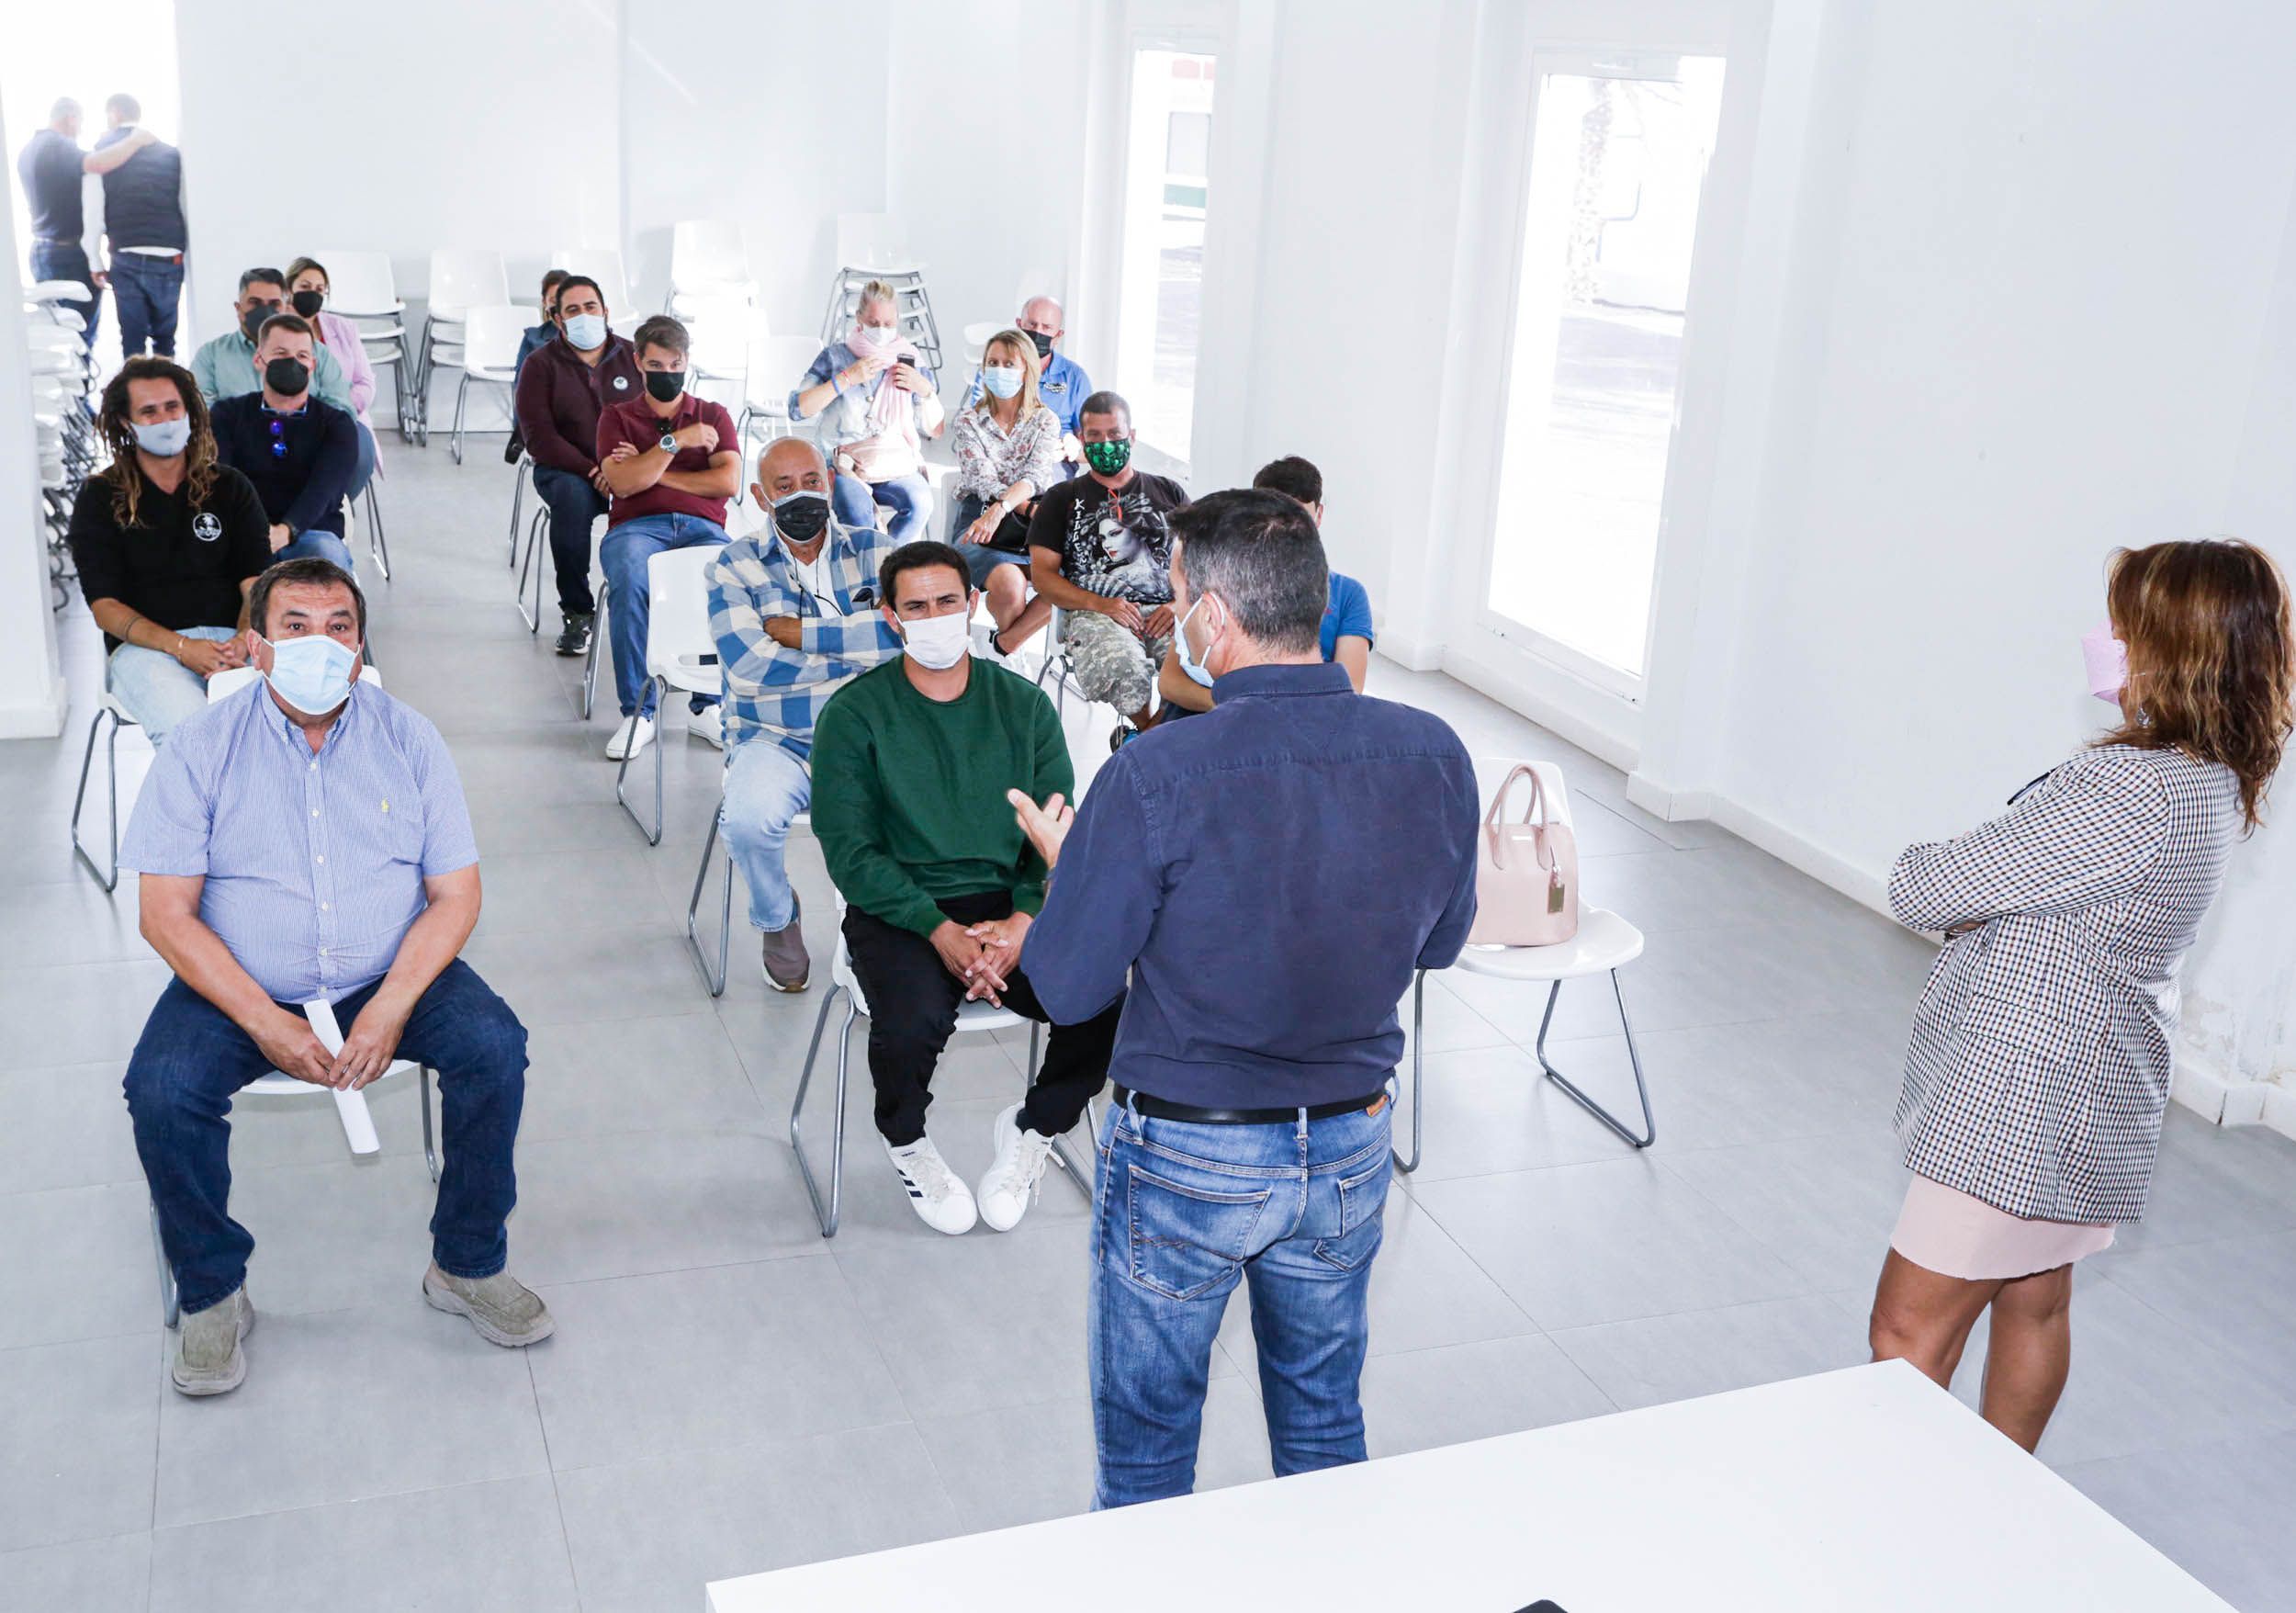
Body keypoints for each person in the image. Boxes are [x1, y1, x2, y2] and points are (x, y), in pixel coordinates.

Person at [1007, 488, 1479, 1507]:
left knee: (1146, 1452)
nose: (1174, 614)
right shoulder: (1433, 750)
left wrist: (1067, 870)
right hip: (1351, 1147)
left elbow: (1066, 984)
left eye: (1176, 594)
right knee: (1321, 1424)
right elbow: (1439, 941)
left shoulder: (1157, 771)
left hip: (1190, 1153)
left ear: (1213, 616)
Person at [1868, 539, 2293, 1454]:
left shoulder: (2127, 788)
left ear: (2169, 645)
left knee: (1906, 1332)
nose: (2106, 638)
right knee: (2035, 1301)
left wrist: (1930, 857)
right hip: (2099, 1092)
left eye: (2124, 622)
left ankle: (1889, 1529)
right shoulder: (2211, 779)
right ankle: (1998, 1503)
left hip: (2021, 1099)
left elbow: (1925, 888)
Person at [118, 557, 553, 1397]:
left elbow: (455, 896)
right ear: (255, 645)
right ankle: (212, 1289)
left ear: (360, 650)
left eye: (339, 628)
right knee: (163, 1089)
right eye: (295, 626)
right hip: (243, 980)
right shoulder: (201, 747)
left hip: (388, 969)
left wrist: (392, 1008)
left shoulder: (410, 738)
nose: (320, 643)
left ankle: (465, 1263)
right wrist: (265, 1022)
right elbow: (165, 916)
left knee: (493, 1047)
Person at [810, 540, 1122, 1235]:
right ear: (892, 619)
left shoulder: (1024, 707)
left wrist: (1022, 920)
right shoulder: (854, 716)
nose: (935, 617)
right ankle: (907, 1140)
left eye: (947, 601)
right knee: (913, 1019)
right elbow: (850, 852)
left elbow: (1052, 832)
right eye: (916, 607)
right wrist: (938, 929)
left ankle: (1035, 1127)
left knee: (1103, 992)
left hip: (1009, 903)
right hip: (901, 905)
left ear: (973, 603)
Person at [706, 438, 903, 992]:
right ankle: (778, 917)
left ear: (831, 482)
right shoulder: (734, 565)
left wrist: (803, 637)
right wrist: (858, 660)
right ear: (761, 497)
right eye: (784, 487)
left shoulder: (878, 552)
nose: (802, 496)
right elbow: (748, 667)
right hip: (775, 738)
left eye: (811, 481)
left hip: (868, 739)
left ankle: (877, 932)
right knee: (748, 821)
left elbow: (908, 635)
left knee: (914, 822)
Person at [64, 358, 271, 743]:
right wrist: (181, 647)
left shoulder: (230, 487)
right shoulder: (99, 497)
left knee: (278, 729)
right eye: (149, 412)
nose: (164, 420)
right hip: (146, 650)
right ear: (126, 424)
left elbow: (257, 583)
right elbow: (105, 607)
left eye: (172, 407)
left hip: (235, 643)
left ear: (189, 411)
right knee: (191, 733)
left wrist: (245, 638)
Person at [596, 313, 739, 761]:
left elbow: (729, 483)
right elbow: (621, 485)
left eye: (675, 364)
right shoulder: (615, 418)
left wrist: (653, 472)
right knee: (631, 577)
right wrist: (677, 444)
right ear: (638, 363)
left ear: (687, 361)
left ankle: (707, 705)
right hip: (637, 529)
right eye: (656, 365)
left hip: (703, 528)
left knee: (725, 579)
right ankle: (639, 711)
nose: (667, 374)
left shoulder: (714, 414)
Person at [1026, 390, 1188, 745]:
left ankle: (1152, 739)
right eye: (1095, 436)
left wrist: (1179, 605)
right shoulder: (1060, 499)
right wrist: (1101, 604)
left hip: (1167, 610)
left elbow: (1202, 563)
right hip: (1096, 611)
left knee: (1203, 670)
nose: (1106, 444)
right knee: (1124, 671)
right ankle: (1151, 737)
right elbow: (1042, 577)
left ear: (1132, 436)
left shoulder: (1169, 492)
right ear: (1082, 440)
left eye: (1115, 435)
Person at [1158, 456, 1373, 714]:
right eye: (1270, 519)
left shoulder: (1348, 594)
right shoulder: (1215, 582)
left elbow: (1347, 692)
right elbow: (1170, 681)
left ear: (1318, 516)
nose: (1284, 533)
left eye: (1298, 518)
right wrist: (1241, 707)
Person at [515, 274, 639, 657]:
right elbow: (539, 437)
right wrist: (592, 471)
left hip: (629, 467)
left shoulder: (634, 356)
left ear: (605, 311)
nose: (584, 315)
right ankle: (577, 613)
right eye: (572, 310)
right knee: (571, 501)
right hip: (568, 470)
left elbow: (656, 417)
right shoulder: (540, 365)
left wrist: (631, 467)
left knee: (667, 502)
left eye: (590, 307)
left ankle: (647, 605)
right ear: (557, 319)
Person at [790, 278, 943, 545]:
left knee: (921, 502)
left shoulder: (910, 360)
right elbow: (798, 409)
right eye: (873, 323)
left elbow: (936, 430)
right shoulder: (836, 357)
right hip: (842, 464)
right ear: (858, 319)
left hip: (894, 461)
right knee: (856, 511)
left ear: (897, 320)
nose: (881, 330)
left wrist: (925, 390)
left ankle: (886, 565)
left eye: (888, 324)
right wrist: (846, 378)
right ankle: (873, 569)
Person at [208, 314, 360, 571]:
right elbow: (222, 479)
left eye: (301, 355)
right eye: (280, 353)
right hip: (242, 532)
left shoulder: (337, 425)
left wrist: (286, 531)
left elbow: (323, 491)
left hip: (312, 533)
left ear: (312, 365)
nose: (292, 362)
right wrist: (255, 532)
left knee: (325, 553)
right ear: (259, 360)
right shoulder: (226, 415)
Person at [951, 329, 1064, 657]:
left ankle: (1006, 644)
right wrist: (1013, 507)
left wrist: (1002, 508)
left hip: (1031, 528)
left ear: (1027, 369)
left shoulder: (1046, 421)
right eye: (992, 362)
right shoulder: (969, 421)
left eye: (1008, 363)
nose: (999, 370)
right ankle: (1011, 654)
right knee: (1011, 584)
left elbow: (1036, 475)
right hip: (979, 525)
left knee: (1077, 576)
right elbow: (982, 481)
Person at [17, 96, 141, 353]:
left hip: (42, 251)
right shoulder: (57, 145)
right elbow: (96, 163)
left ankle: (71, 392)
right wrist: (135, 141)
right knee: (80, 335)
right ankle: (81, 394)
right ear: (71, 119)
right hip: (68, 255)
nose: (81, 129)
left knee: (57, 331)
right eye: (81, 122)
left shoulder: (29, 149)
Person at [88, 94, 186, 359]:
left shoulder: (103, 151)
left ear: (114, 113)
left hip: (126, 252)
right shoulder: (170, 152)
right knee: (165, 340)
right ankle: (170, 396)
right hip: (169, 253)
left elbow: (94, 210)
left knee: (132, 341)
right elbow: (183, 202)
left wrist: (95, 261)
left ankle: (136, 400)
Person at [191, 269, 356, 412]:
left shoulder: (317, 354)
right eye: (255, 303)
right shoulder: (211, 355)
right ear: (238, 308)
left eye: (274, 304)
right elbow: (200, 411)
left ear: (285, 308)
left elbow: (341, 407)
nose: (265, 311)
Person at [284, 256, 380, 497]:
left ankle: (336, 511)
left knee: (359, 458)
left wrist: (335, 409)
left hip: (346, 416)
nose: (312, 294)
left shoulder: (344, 328)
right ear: (289, 289)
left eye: (319, 289)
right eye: (305, 287)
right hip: (292, 418)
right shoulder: (273, 329)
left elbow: (366, 383)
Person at [965, 294, 1091, 472]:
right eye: (1032, 324)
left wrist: (1072, 448)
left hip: (1052, 463)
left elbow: (1092, 445)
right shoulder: (996, 370)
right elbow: (978, 421)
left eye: (1047, 327)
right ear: (1019, 325)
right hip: (1000, 457)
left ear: (1058, 335)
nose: (1037, 332)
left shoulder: (1074, 377)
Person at [515, 268, 571, 379]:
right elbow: (521, 386)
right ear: (545, 303)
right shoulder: (532, 338)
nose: (560, 307)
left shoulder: (594, 333)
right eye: (554, 301)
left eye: (566, 299)